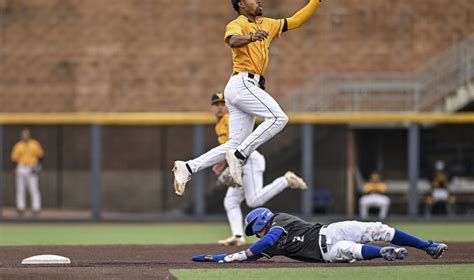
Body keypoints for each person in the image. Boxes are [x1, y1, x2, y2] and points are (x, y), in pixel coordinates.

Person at [172, 0, 322, 196]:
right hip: (242, 83)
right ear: (242, 3)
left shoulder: (267, 23)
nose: (259, 1)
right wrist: (251, 37)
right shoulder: (238, 23)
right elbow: (232, 40)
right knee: (279, 118)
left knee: (234, 143)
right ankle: (239, 156)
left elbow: (296, 20)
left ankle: (188, 167)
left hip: (244, 87)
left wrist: (315, 1)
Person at [208, 92, 307, 246]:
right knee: (231, 201)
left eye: (223, 104)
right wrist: (223, 163)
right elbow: (229, 148)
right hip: (241, 163)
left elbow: (238, 144)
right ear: (212, 108)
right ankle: (238, 236)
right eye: (217, 104)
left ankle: (286, 180)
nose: (220, 107)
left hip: (249, 162)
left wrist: (227, 162)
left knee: (254, 200)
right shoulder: (220, 123)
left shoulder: (229, 119)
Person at [192, 207, 448, 263]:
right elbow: (254, 255)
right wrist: (219, 257)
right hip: (327, 253)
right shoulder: (269, 243)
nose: (255, 233)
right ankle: (384, 252)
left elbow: (266, 242)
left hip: (331, 231)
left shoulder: (279, 220)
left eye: (254, 228)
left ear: (262, 220)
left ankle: (428, 246)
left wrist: (242, 253)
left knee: (380, 229)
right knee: (352, 251)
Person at [10, 128, 44, 216]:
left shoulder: (35, 144)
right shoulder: (18, 146)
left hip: (31, 167)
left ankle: (36, 208)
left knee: (34, 188)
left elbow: (41, 156)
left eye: (26, 135)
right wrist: (15, 168)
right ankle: (20, 208)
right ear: (21, 136)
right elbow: (14, 159)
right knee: (20, 189)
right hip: (21, 167)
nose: (25, 136)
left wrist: (38, 167)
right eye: (23, 135)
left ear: (29, 135)